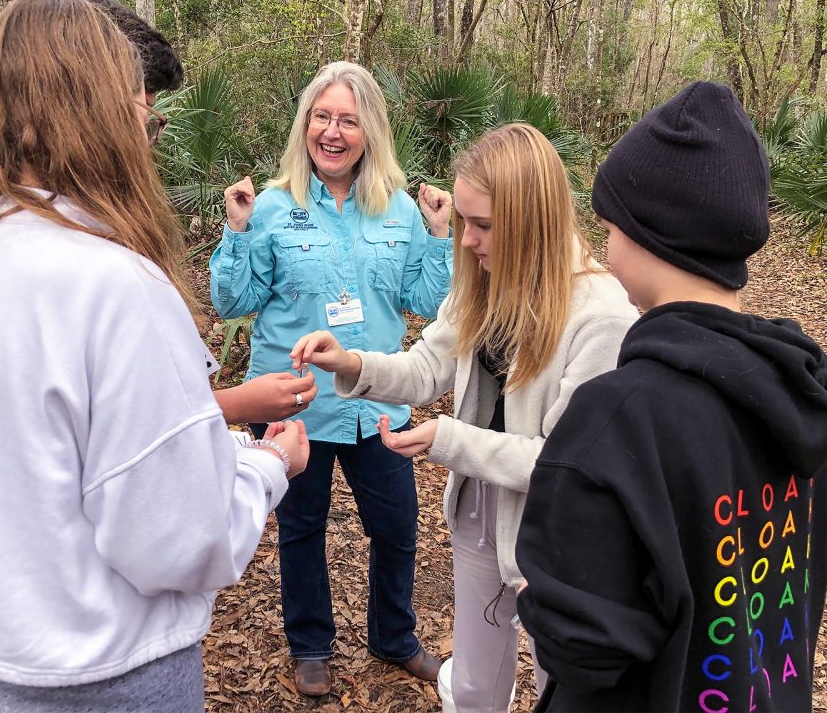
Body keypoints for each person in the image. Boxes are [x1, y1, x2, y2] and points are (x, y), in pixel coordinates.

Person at [0, 0, 309, 712]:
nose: (149, 142)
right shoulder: (114, 286)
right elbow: (180, 540)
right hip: (109, 683)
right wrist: (269, 465)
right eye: (147, 119)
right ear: (108, 116)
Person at [289, 123, 639, 712]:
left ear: (533, 222)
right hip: (480, 503)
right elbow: (428, 365)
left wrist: (445, 439)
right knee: (476, 678)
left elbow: (563, 460)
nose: (468, 241)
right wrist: (350, 363)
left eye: (484, 226)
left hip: (558, 525)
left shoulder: (601, 315)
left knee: (562, 679)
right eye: (465, 223)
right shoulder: (485, 278)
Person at [515, 81, 827, 711]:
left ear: (645, 234)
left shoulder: (618, 419)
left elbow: (579, 649)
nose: (606, 248)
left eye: (608, 228)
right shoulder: (805, 393)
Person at [209, 61, 453, 696]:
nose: (334, 131)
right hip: (295, 403)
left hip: (375, 402)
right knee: (302, 527)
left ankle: (394, 637)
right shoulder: (268, 207)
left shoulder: (400, 211)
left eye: (348, 119)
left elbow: (426, 301)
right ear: (305, 125)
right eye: (323, 117)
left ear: (369, 130)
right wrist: (236, 232)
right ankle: (310, 644)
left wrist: (439, 234)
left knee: (398, 528)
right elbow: (233, 302)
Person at [70, 0, 318, 423]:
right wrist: (258, 448)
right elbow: (137, 438)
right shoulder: (103, 273)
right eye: (142, 117)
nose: (144, 148)